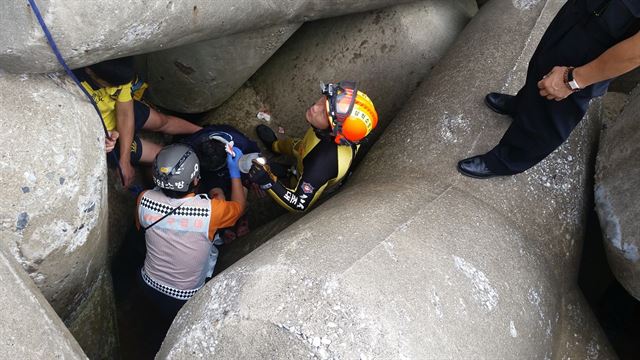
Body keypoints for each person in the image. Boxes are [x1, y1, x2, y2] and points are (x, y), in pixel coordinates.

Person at [457, 0, 640, 179]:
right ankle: (523, 105)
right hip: (584, 9)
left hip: (610, 36)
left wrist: (575, 80)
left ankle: (509, 159)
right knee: (543, 62)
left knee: (556, 105)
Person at [135, 143, 246, 342]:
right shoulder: (211, 211)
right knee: (172, 327)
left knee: (155, 317)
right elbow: (238, 207)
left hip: (147, 281)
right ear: (196, 180)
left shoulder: (144, 199)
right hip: (183, 295)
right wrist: (234, 173)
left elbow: (141, 226)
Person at [73, 57, 202, 187]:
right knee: (165, 159)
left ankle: (204, 131)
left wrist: (125, 160)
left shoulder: (119, 72)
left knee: (161, 121)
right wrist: (123, 162)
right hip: (107, 134)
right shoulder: (74, 84)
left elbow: (125, 114)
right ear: (89, 70)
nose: (115, 89)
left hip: (117, 108)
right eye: (108, 85)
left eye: (119, 86)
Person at [249, 81, 378, 212]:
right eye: (324, 100)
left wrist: (268, 182)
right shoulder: (338, 132)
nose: (316, 107)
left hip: (310, 173)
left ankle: (290, 175)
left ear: (335, 132)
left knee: (299, 163)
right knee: (298, 146)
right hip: (308, 150)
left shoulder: (322, 164)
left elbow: (299, 204)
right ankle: (275, 147)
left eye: (324, 113)